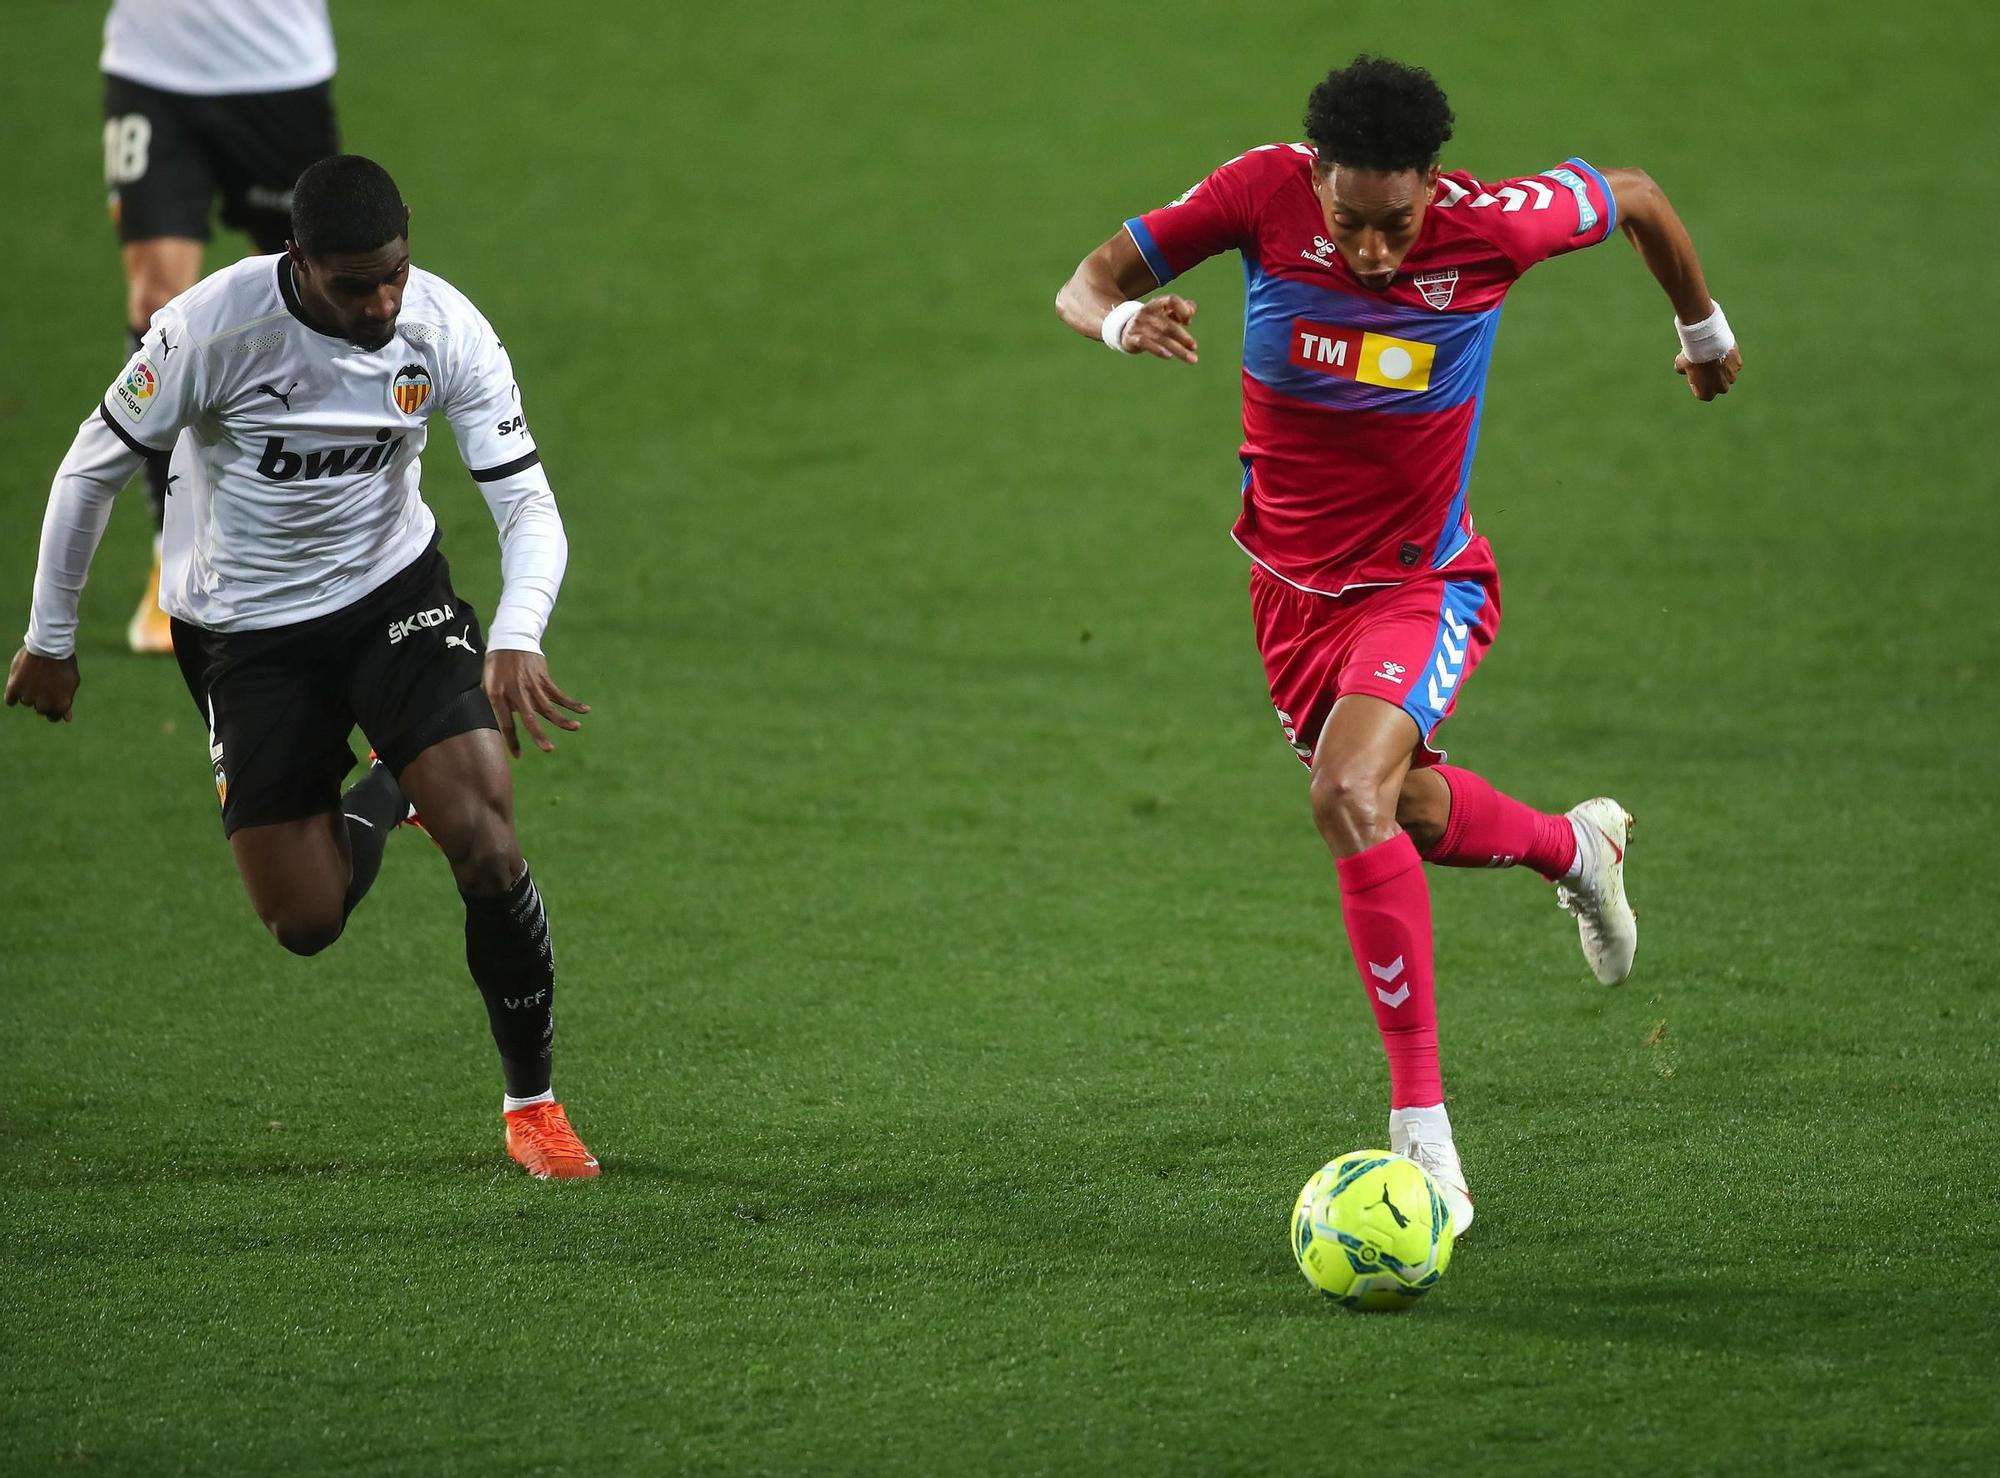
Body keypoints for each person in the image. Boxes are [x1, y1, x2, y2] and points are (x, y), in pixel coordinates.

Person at [1055, 56, 1740, 1232]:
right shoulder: (1258, 194)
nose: (1372, 250)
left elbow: (1630, 192)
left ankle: (1421, 1133)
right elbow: (1087, 277)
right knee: (1402, 809)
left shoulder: (1493, 229)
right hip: (1285, 595)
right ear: (1313, 176)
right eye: (1348, 222)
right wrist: (1118, 318)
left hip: (1421, 586)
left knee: (1343, 792)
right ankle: (1574, 848)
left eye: (1395, 223)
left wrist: (1701, 325)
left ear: (1435, 184)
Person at [7, 155, 600, 1181]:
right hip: (246, 635)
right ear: (298, 260)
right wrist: (50, 639)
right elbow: (90, 465)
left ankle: (532, 1102)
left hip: (391, 596)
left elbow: (526, 501)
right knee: (304, 919)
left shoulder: (443, 326)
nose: (379, 302)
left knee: (488, 836)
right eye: (352, 284)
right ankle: (385, 789)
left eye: (393, 274)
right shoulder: (214, 329)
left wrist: (516, 632)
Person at [100, 0, 343, 653]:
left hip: (280, 72)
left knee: (312, 295)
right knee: (157, 295)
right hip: (150, 68)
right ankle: (173, 553)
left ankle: (305, 536)